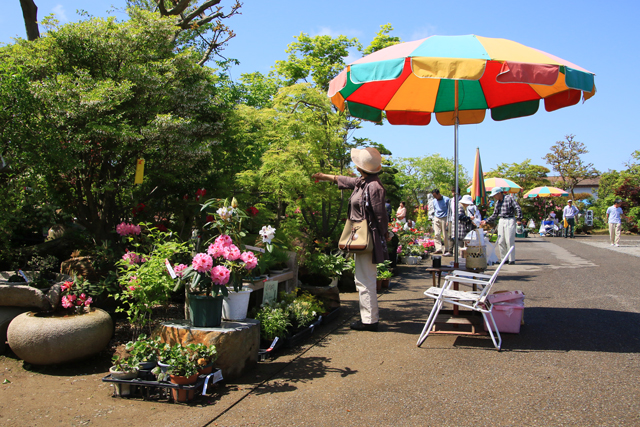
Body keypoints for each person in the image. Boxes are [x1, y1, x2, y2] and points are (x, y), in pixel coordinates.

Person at [312, 147, 389, 332]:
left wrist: (384, 235)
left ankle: (369, 321)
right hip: (362, 237)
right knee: (363, 278)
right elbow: (344, 180)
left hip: (367, 238)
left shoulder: (374, 186)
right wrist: (323, 176)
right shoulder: (363, 182)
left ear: (361, 167)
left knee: (365, 280)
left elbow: (380, 215)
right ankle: (369, 319)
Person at [481, 187, 522, 265]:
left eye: (495, 195)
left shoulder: (509, 198)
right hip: (501, 220)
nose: (494, 197)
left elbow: (517, 208)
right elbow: (495, 214)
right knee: (501, 240)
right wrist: (486, 221)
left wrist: (519, 219)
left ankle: (511, 259)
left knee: (509, 240)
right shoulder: (497, 202)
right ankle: (504, 259)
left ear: (499, 193)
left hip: (510, 219)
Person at [430, 189, 452, 256]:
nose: (434, 197)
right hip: (437, 217)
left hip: (444, 217)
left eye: (435, 195)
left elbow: (449, 210)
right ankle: (438, 249)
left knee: (445, 235)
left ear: (438, 193)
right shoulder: (434, 201)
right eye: (433, 196)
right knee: (436, 234)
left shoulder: (446, 199)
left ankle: (446, 249)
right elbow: (434, 209)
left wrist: (448, 220)